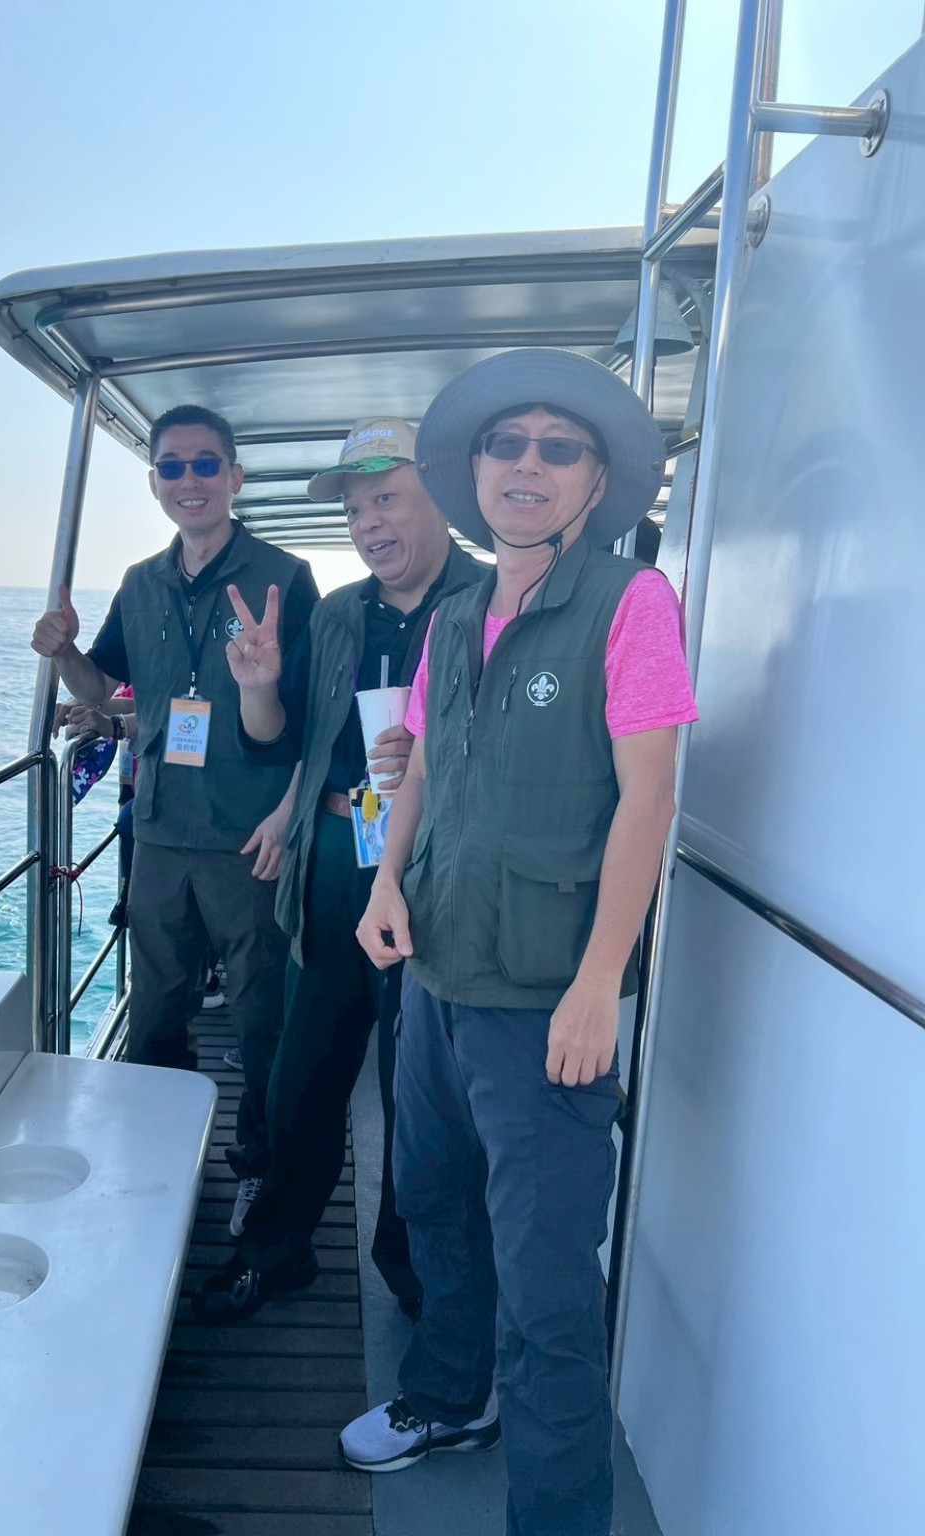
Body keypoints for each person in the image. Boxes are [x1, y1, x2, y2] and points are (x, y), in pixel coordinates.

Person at [340, 352, 699, 1536]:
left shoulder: (631, 603)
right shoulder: (454, 615)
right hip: (435, 977)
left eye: (559, 447)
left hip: (545, 1004)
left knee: (547, 1299)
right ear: (476, 471)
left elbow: (649, 797)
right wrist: (385, 882)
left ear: (596, 482)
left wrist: (599, 983)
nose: (528, 465)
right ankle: (451, 1399)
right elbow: (420, 770)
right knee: (433, 1204)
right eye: (509, 444)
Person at [190, 418, 484, 1321]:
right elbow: (281, 742)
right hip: (333, 859)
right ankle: (277, 1250)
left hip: (438, 868)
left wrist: (439, 755)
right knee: (303, 1071)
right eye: (355, 509)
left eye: (386, 497)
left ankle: (413, 1265)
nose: (368, 523)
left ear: (441, 495)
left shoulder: (492, 600)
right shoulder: (336, 613)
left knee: (417, 1085)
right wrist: (257, 688)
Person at [31, 405, 319, 1212]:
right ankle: (158, 1163)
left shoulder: (286, 578)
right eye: (171, 466)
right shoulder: (140, 583)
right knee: (156, 1007)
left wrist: (290, 816)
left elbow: (313, 717)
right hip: (159, 831)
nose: (188, 480)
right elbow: (103, 688)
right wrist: (64, 652)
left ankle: (259, 1164)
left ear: (234, 477)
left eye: (204, 464)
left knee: (262, 1013)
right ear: (155, 481)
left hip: (248, 835)